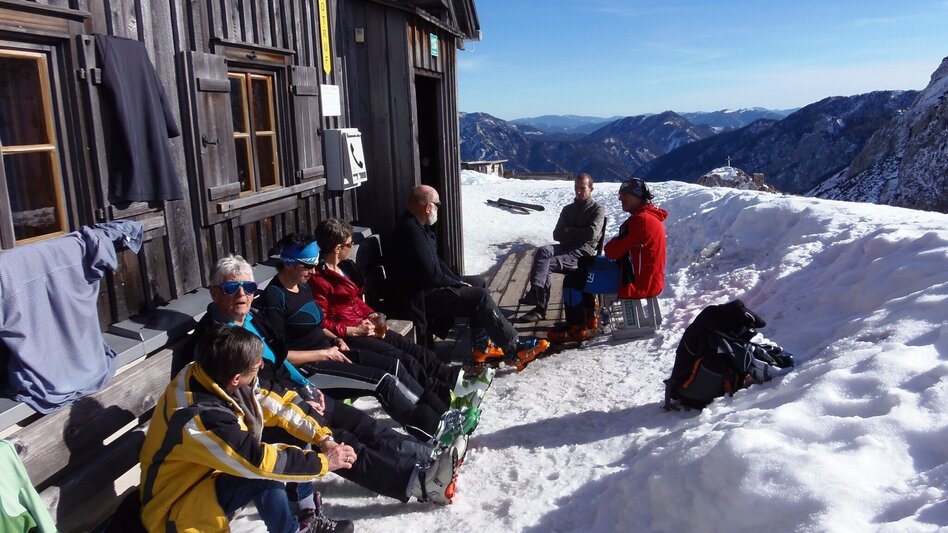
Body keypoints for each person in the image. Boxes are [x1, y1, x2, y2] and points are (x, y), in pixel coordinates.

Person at [185, 256, 469, 509]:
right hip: (269, 416)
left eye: (248, 288)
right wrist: (298, 398)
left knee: (361, 423)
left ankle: (427, 457)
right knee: (340, 443)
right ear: (214, 294)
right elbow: (241, 395)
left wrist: (305, 387)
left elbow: (280, 358)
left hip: (294, 394)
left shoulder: (252, 319)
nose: (242, 296)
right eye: (231, 289)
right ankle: (417, 482)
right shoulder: (214, 339)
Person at [139, 324, 357, 533]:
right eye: (257, 366)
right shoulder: (199, 416)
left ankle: (306, 517)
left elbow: (280, 402)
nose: (262, 366)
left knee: (290, 440)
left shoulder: (211, 372)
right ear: (236, 378)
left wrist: (323, 437)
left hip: (209, 477)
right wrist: (324, 462)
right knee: (264, 473)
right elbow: (255, 460)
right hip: (177, 510)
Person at [255, 238, 477, 441]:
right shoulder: (275, 298)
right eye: (308, 266)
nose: (314, 271)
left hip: (331, 353)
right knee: (382, 382)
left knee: (395, 365)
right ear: (290, 263)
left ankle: (443, 412)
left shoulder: (301, 285)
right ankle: (434, 430)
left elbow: (316, 325)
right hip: (308, 370)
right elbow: (279, 357)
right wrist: (325, 353)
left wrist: (334, 340)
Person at [308, 219, 495, 410]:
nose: (352, 247)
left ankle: (454, 382)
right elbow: (321, 322)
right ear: (337, 248)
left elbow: (355, 300)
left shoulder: (345, 267)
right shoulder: (318, 280)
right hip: (350, 337)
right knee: (403, 360)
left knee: (416, 351)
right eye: (349, 244)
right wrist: (353, 330)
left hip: (367, 327)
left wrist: (372, 314)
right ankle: (445, 400)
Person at [387, 185, 550, 369]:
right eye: (437, 205)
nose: (438, 209)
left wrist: (458, 282)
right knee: (479, 297)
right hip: (418, 298)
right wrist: (457, 284)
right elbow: (432, 275)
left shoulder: (417, 227)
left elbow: (437, 265)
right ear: (427, 207)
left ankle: (481, 346)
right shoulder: (410, 232)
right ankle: (514, 348)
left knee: (478, 283)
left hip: (425, 289)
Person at [549, 177, 667, 342]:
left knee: (572, 280)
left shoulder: (641, 221)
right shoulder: (648, 217)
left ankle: (575, 327)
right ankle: (589, 317)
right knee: (585, 262)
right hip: (639, 273)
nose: (620, 198)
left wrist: (616, 243)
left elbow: (611, 251)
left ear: (636, 196)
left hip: (635, 281)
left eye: (623, 194)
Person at [519, 172, 605, 323]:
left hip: (582, 253)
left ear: (591, 189)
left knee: (546, 265)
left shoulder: (597, 210)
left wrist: (569, 230)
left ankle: (540, 307)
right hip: (565, 247)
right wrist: (575, 232)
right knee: (543, 251)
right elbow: (556, 234)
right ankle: (536, 291)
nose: (579, 191)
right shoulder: (567, 209)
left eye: (582, 188)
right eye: (576, 188)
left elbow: (590, 234)